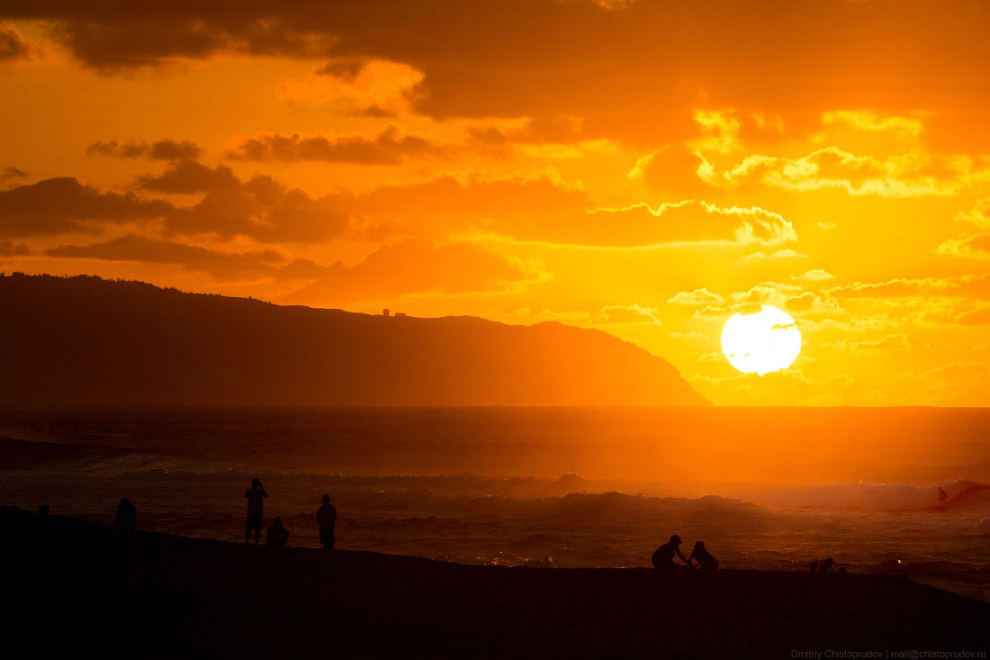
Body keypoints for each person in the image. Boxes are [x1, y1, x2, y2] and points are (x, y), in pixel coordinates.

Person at [245, 478, 267, 544]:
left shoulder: (248, 491)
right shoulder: (260, 492)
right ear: (258, 484)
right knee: (257, 529)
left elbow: (246, 496)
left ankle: (246, 541)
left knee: (249, 528)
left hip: (251, 512)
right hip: (258, 512)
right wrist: (262, 488)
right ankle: (256, 542)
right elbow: (266, 496)